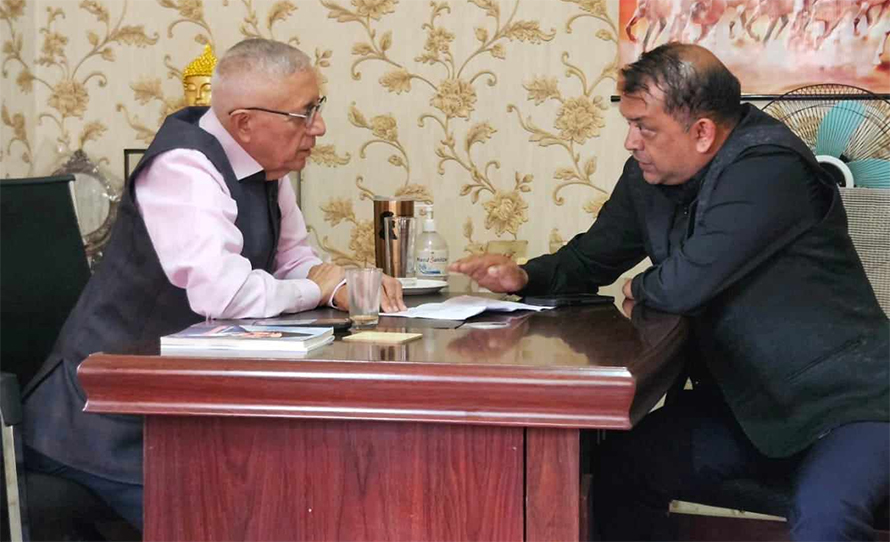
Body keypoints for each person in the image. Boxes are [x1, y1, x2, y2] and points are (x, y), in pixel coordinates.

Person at [451, 42, 889, 541]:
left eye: (645, 127)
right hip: (749, 409)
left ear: (702, 132)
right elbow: (591, 258)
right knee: (619, 468)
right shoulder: (649, 175)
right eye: (629, 124)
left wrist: (638, 284)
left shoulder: (770, 167)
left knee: (827, 520)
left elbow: (683, 284)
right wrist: (524, 277)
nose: (630, 142)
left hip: (850, 405)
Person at [22, 38, 406, 531]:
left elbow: (294, 259)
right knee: (246, 517)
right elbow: (224, 294)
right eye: (304, 113)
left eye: (318, 107)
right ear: (244, 122)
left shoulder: (267, 166)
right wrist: (317, 289)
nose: (319, 127)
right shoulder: (183, 169)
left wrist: (337, 287)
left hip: (189, 403)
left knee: (304, 485)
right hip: (107, 423)